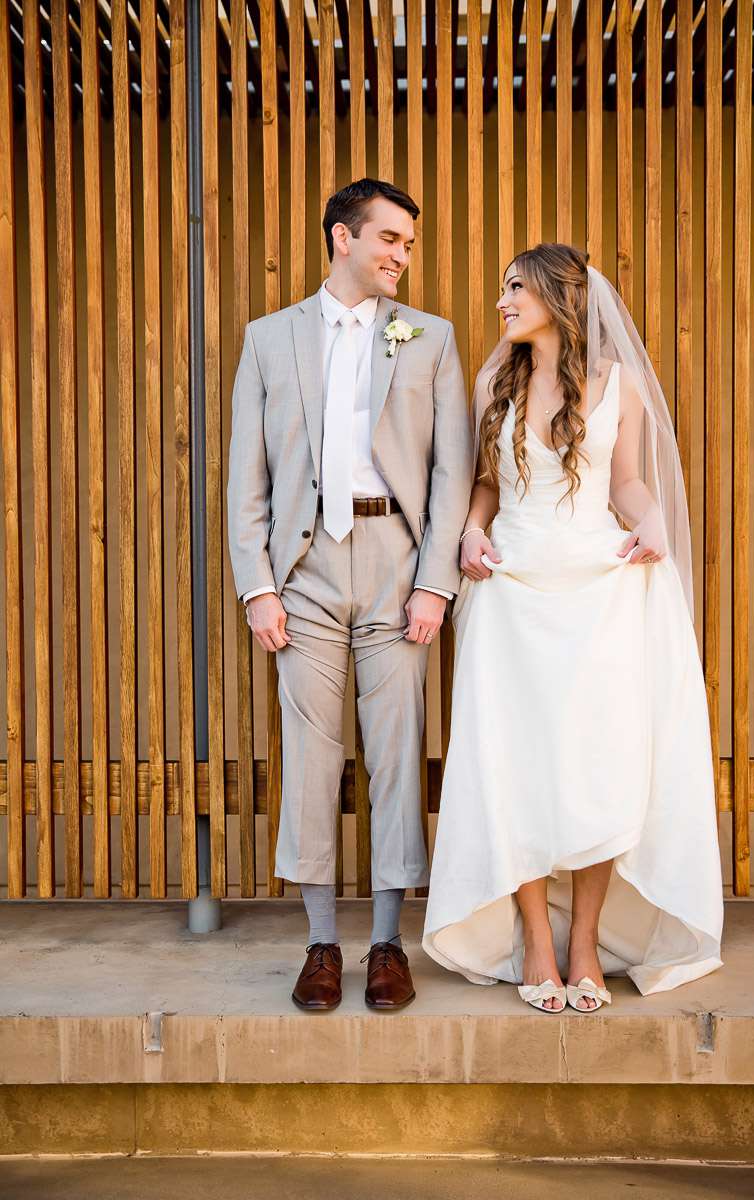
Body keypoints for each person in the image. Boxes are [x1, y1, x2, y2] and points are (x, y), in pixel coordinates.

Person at [422, 244, 723, 1013]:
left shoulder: (616, 384)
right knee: (512, 767)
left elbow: (626, 482)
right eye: (501, 289)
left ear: (559, 296)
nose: (501, 302)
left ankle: (584, 940)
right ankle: (534, 938)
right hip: (511, 591)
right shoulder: (496, 382)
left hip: (599, 590)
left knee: (599, 766)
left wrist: (653, 522)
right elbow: (486, 485)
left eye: (515, 287)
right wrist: (470, 533)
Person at [227, 178, 473, 1011]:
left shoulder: (430, 339)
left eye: (408, 243)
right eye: (391, 239)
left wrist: (435, 583)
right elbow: (245, 478)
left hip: (397, 565)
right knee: (312, 756)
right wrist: (259, 586)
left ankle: (388, 946)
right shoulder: (268, 340)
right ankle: (323, 942)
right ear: (342, 237)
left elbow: (452, 473)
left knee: (398, 751)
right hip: (303, 573)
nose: (404, 255)